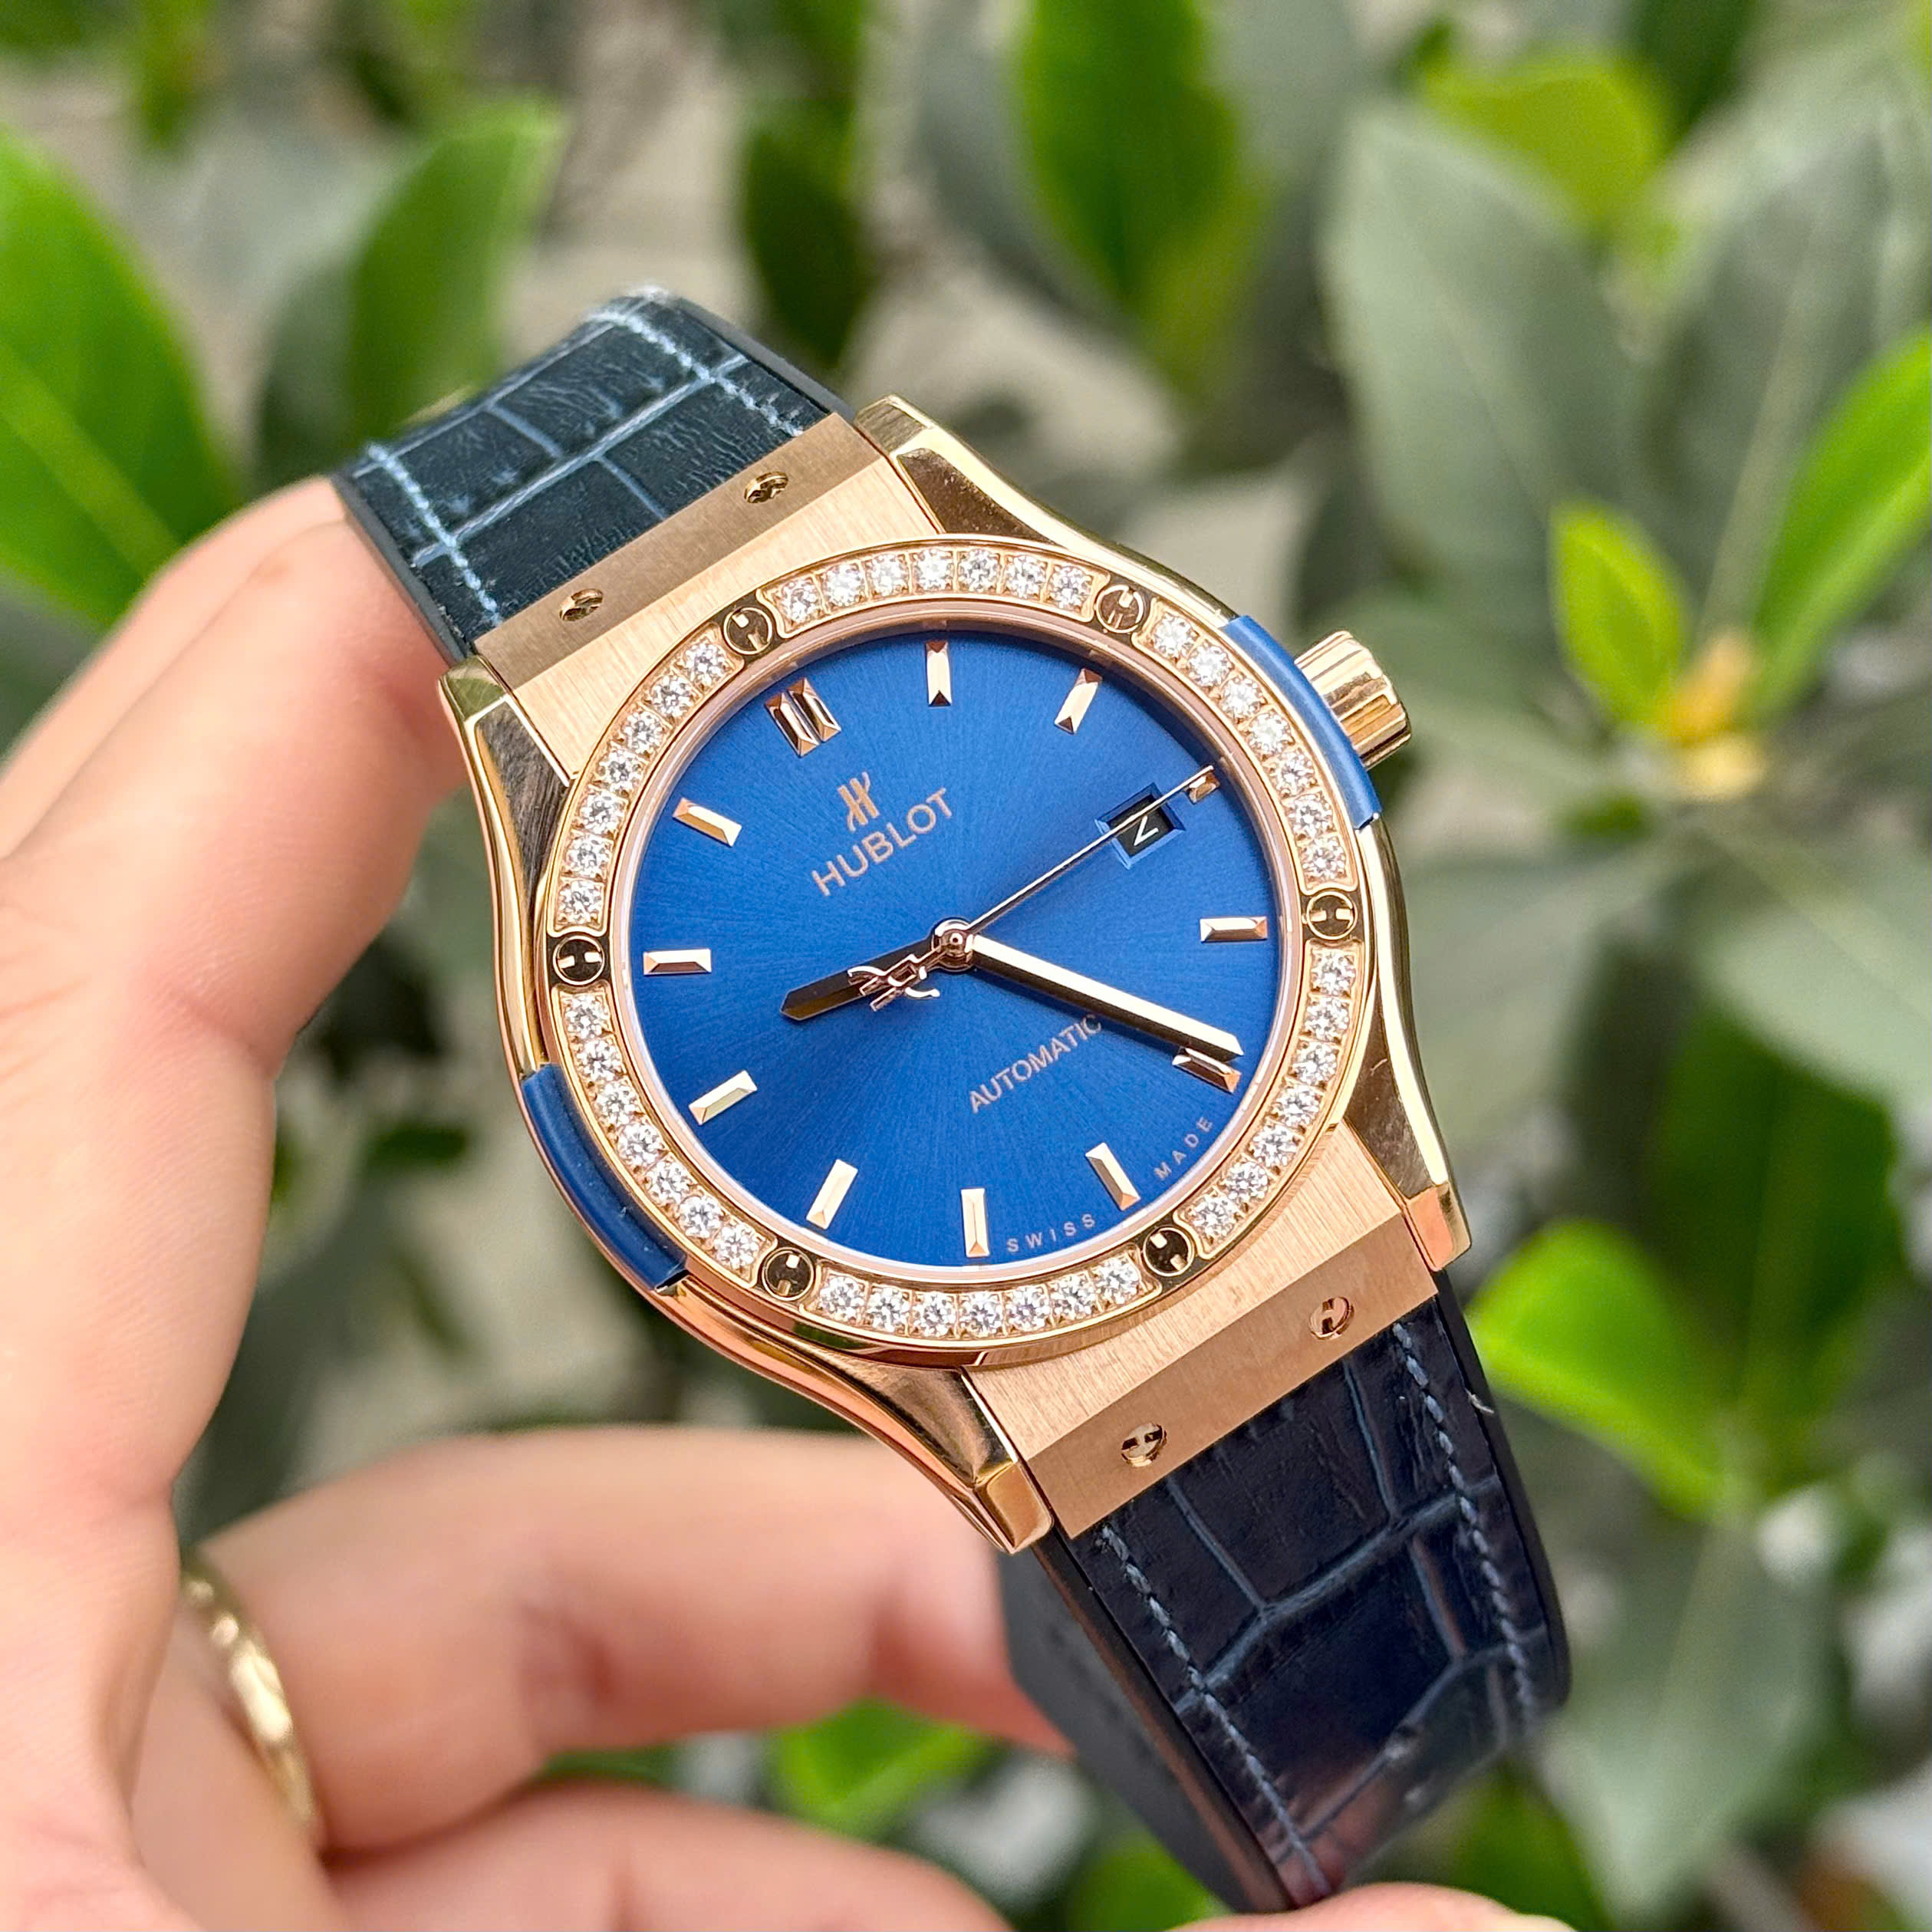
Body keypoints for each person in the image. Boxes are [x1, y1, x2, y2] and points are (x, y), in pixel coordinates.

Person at [0, 482, 1562, 1930]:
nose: (941, 947)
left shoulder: (912, 513)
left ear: (1307, 723)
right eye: (925, 963)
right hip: (1050, 1332)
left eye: (947, 949)